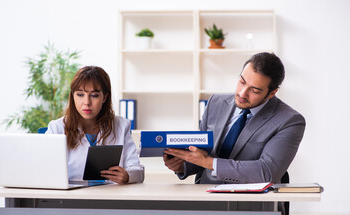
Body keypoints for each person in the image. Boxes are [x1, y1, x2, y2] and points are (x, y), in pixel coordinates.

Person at [163, 52, 305, 185]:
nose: (243, 93)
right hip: (205, 196)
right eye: (242, 82)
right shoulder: (215, 103)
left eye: (255, 90)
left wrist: (208, 162)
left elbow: (266, 172)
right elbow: (203, 155)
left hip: (252, 204)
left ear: (272, 93)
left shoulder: (289, 121)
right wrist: (183, 165)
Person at [46, 66, 144, 184]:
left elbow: (137, 171)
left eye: (94, 95)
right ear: (73, 96)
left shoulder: (121, 125)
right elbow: (44, 170)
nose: (86, 102)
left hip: (110, 197)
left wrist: (127, 176)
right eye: (80, 95)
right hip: (72, 198)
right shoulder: (57, 128)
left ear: (105, 97)